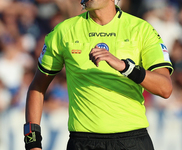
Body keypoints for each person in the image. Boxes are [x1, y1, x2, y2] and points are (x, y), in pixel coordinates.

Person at [23, 0, 173, 150]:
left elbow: (165, 88)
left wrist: (125, 67)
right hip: (83, 142)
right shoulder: (64, 31)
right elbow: (37, 87)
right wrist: (32, 143)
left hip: (132, 141)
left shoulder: (142, 29)